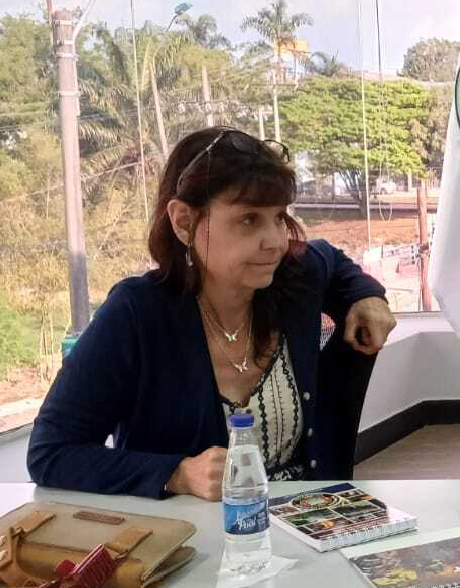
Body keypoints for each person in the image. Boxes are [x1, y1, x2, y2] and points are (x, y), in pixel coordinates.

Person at [27, 128, 394, 499]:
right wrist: (177, 473)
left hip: (313, 525)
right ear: (185, 221)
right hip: (193, 542)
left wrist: (368, 296)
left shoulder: (295, 281)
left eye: (279, 217)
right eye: (249, 219)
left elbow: (331, 260)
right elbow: (51, 453)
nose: (276, 241)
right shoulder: (136, 314)